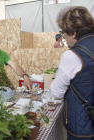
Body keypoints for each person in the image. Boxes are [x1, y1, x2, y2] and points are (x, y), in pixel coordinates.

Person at [50, 6, 94, 140]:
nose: (63, 37)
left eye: (64, 33)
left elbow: (56, 93)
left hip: (82, 125)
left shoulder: (73, 55)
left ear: (74, 33)